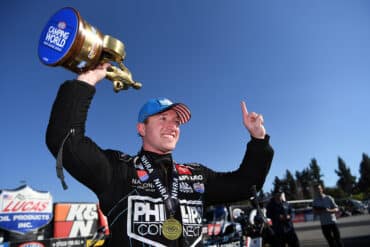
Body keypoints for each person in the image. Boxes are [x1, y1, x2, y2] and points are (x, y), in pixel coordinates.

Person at [45, 63, 274, 247]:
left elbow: (246, 184)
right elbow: (65, 141)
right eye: (162, 118)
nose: (172, 126)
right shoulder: (118, 170)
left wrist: (258, 140)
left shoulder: (195, 176)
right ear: (141, 129)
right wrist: (86, 81)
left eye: (176, 121)